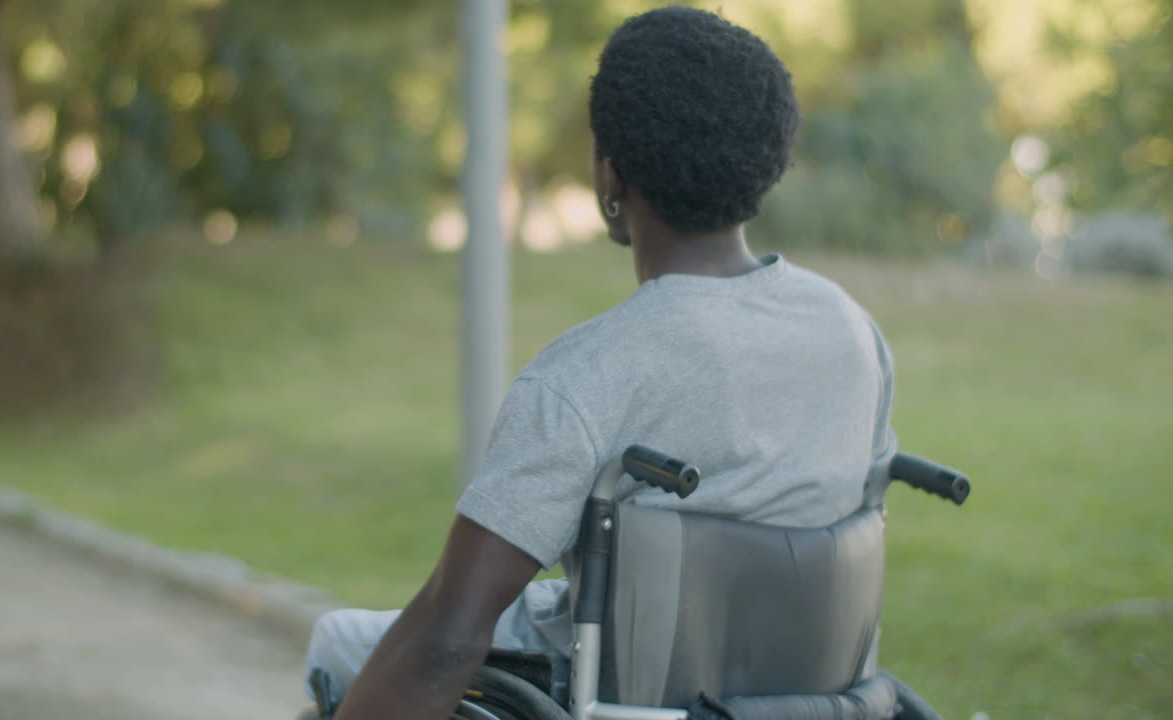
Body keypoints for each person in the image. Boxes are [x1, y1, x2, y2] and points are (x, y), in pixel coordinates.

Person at [303, 6, 896, 719]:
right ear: (764, 162)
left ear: (610, 175)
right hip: (796, 695)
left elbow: (448, 637)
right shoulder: (851, 331)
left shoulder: (589, 377)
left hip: (608, 686)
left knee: (336, 638)